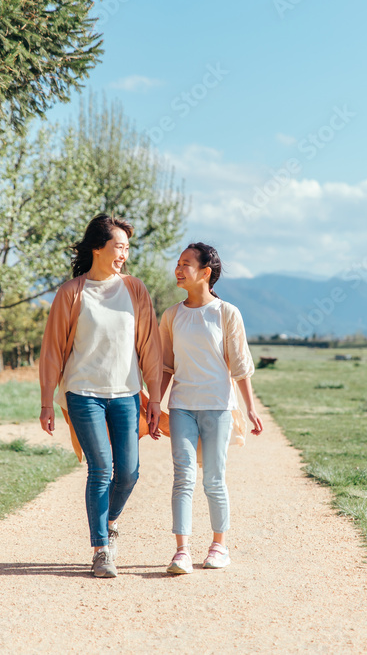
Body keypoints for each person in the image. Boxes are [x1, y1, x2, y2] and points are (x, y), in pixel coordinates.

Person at [39, 214, 163, 579]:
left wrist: (155, 398)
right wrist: (47, 401)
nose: (124, 254)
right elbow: (52, 351)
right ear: (97, 248)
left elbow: (150, 347)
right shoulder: (71, 293)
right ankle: (101, 550)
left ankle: (107, 521)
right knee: (101, 468)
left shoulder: (135, 289)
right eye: (118, 247)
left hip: (126, 393)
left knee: (128, 472)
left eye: (127, 248)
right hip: (83, 393)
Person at [158, 242, 263, 574]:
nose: (178, 269)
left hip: (218, 407)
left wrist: (250, 408)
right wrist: (155, 404)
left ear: (205, 272)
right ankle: (182, 551)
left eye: (185, 264)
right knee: (183, 477)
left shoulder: (226, 313)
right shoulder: (171, 315)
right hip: (182, 406)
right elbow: (165, 366)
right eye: (178, 263)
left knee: (214, 479)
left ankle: (219, 546)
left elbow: (240, 365)